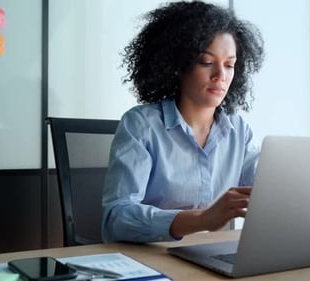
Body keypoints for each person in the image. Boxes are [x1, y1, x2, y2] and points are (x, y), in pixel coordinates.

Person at [102, 0, 264, 243]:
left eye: (230, 65)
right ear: (177, 65)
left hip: (209, 257)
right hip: (151, 258)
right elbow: (117, 217)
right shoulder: (141, 125)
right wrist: (202, 219)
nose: (221, 75)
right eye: (207, 62)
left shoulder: (239, 131)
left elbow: (268, 192)